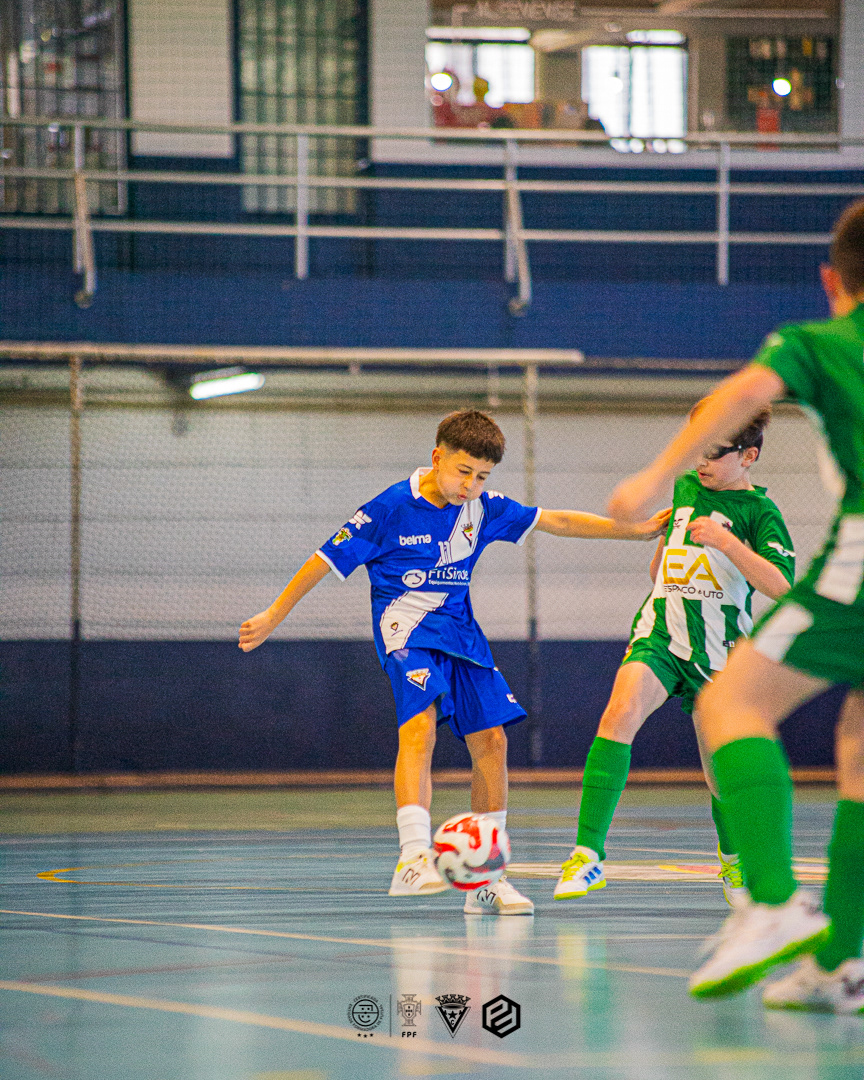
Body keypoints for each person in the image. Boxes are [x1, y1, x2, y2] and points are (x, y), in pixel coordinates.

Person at [240, 409, 669, 915]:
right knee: (419, 726)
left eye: (482, 476)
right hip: (406, 633)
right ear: (437, 457)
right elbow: (323, 561)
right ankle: (412, 858)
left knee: (493, 741)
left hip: (463, 636)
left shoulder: (483, 509)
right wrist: (273, 615)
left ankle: (486, 880)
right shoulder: (390, 507)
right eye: (463, 471)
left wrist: (636, 531)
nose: (471, 485)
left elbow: (555, 520)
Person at [606, 199, 864, 1011]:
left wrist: (653, 475)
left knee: (729, 703)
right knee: (858, 748)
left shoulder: (824, 341)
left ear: (832, 281)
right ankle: (841, 965)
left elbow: (746, 390)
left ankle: (773, 900)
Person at [554, 405, 794, 905]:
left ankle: (733, 859)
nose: (702, 461)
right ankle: (587, 855)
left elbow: (781, 586)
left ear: (748, 457)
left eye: (715, 453)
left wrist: (727, 544)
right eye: (698, 449)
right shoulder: (685, 488)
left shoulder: (760, 513)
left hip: (721, 651)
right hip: (661, 633)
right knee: (619, 713)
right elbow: (662, 565)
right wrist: (664, 556)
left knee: (719, 774)